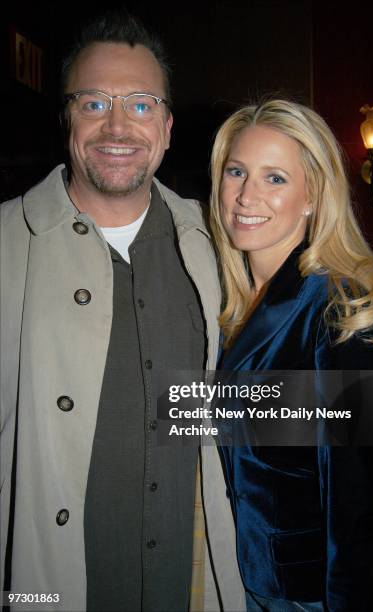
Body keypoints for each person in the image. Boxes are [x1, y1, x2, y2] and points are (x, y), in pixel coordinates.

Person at [0, 10, 244, 612]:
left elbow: (245, 409)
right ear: (67, 122)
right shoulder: (7, 242)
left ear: (165, 126)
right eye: (93, 103)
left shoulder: (218, 248)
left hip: (191, 590)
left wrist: (361, 403)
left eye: (139, 104)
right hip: (45, 590)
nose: (117, 126)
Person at [208, 98, 373, 611]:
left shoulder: (345, 311)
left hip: (322, 595)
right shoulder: (236, 303)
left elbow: (363, 507)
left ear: (313, 196)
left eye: (275, 178)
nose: (247, 195)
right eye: (237, 171)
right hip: (256, 584)